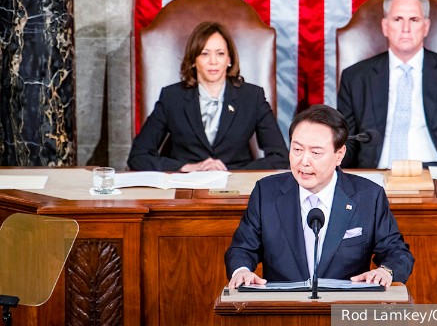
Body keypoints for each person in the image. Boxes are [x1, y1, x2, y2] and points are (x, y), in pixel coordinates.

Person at [225, 104, 414, 289]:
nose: (304, 161)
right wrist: (241, 271)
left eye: (315, 153)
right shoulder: (266, 192)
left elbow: (396, 252)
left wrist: (385, 271)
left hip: (344, 306)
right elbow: (242, 248)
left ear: (339, 154)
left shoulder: (369, 196)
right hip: (284, 306)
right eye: (297, 150)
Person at [337, 0, 437, 168]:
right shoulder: (355, 78)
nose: (406, 29)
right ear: (385, 27)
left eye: (414, 20)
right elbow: (347, 143)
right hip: (376, 173)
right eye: (398, 19)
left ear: (426, 27)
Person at [127, 22, 289, 171]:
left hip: (236, 186)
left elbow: (280, 157)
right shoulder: (172, 97)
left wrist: (235, 173)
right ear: (193, 60)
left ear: (229, 59)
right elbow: (138, 156)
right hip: (185, 185)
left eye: (220, 53)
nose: (213, 61)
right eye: (204, 54)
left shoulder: (252, 97)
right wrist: (186, 168)